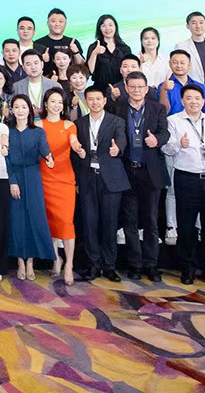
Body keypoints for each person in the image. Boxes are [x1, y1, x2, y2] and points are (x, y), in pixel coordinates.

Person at [162, 85, 205, 283]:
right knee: (186, 225)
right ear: (182, 101)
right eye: (189, 98)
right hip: (187, 178)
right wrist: (178, 145)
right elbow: (166, 148)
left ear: (203, 101)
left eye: (197, 98)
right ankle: (187, 267)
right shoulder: (173, 121)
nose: (193, 102)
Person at [116, 71, 170, 281]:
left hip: (150, 172)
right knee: (129, 221)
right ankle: (135, 264)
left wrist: (157, 140)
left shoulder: (157, 108)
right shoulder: (118, 107)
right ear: (126, 88)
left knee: (151, 221)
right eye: (132, 86)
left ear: (147, 89)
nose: (136, 90)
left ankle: (151, 264)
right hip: (127, 171)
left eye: (140, 87)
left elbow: (165, 132)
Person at [73, 86, 129, 282]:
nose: (95, 102)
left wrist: (117, 149)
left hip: (110, 179)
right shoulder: (79, 123)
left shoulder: (116, 121)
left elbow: (122, 139)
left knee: (110, 223)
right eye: (91, 99)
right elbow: (75, 153)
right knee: (89, 223)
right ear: (86, 101)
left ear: (105, 101)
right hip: (87, 178)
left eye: (98, 99)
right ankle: (93, 265)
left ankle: (109, 266)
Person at [1, 95, 52, 281]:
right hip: (14, 177)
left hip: (33, 177)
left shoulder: (38, 132)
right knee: (16, 220)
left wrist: (49, 157)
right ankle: (19, 262)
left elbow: (45, 149)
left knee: (34, 218)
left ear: (30, 110)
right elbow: (6, 159)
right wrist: (12, 181)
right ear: (12, 110)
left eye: (24, 107)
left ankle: (30, 261)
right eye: (17, 107)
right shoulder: (7, 132)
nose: (20, 110)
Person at [37, 87, 81, 284]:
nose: (56, 105)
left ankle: (69, 264)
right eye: (52, 101)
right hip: (43, 178)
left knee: (65, 221)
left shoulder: (69, 125)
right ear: (46, 104)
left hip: (64, 179)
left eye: (59, 102)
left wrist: (77, 147)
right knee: (49, 221)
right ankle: (56, 259)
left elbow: (73, 141)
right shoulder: (38, 125)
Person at [155, 50, 205, 116]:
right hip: (173, 122)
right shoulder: (163, 86)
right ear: (169, 64)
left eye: (182, 63)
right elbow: (163, 112)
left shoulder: (200, 86)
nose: (179, 66)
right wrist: (164, 91)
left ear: (189, 65)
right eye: (175, 62)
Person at [85, 14, 132, 92]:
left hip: (121, 89)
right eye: (103, 26)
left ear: (115, 27)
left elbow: (129, 71)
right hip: (100, 90)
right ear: (99, 28)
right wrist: (95, 53)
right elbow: (90, 71)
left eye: (110, 25)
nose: (107, 28)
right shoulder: (94, 47)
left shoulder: (125, 48)